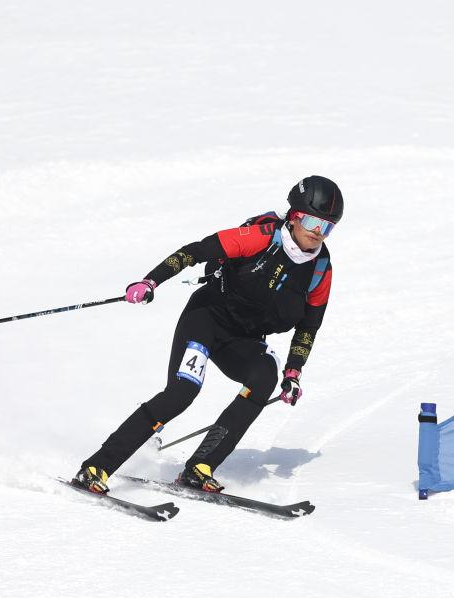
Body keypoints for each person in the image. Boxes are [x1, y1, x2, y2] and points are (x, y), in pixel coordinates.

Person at [72, 175, 342, 494]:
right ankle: (97, 467)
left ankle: (200, 467)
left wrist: (293, 373)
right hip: (206, 320)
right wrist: (150, 281)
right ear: (294, 216)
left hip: (243, 340)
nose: (317, 232)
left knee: (264, 375)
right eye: (312, 221)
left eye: (326, 227)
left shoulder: (320, 269)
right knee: (182, 391)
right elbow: (194, 252)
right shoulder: (260, 238)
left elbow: (308, 326)